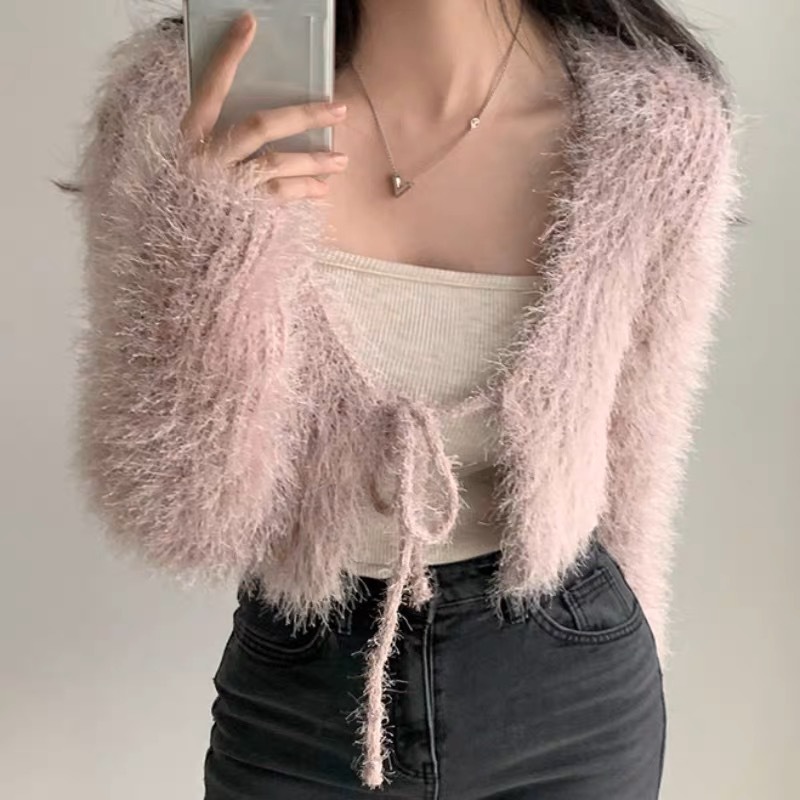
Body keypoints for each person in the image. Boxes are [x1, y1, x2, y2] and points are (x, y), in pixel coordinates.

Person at [66, 1, 740, 797]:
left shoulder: (656, 133)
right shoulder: (183, 100)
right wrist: (217, 245)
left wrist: (633, 671)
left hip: (571, 691)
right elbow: (183, 525)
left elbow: (636, 468)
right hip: (300, 697)